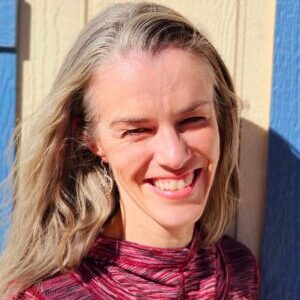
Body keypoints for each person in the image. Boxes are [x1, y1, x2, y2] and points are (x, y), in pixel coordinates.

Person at [0, 2, 259, 299]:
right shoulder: (48, 295)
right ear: (89, 137)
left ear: (221, 119)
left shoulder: (238, 270)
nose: (174, 155)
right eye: (136, 130)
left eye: (192, 120)